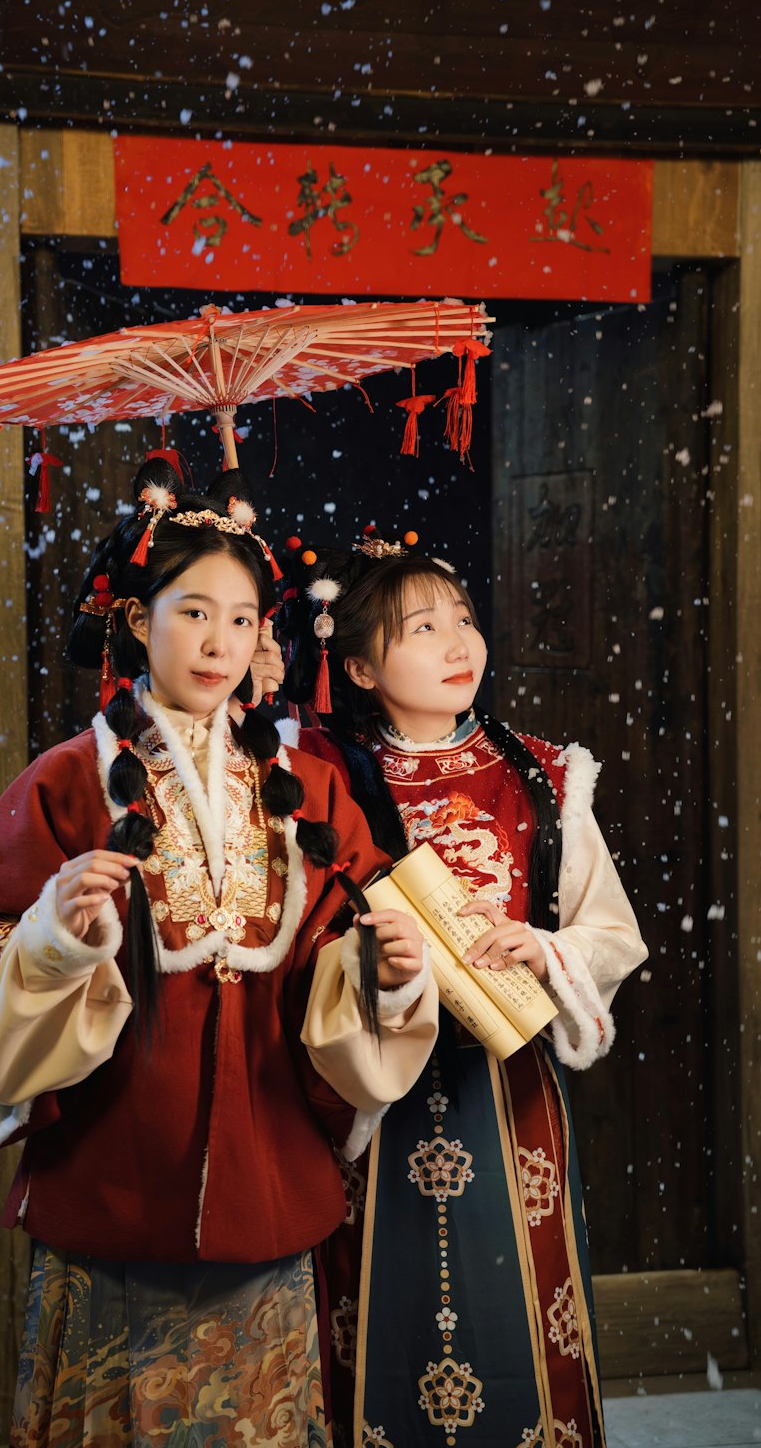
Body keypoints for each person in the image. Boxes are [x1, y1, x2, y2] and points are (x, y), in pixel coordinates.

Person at [0, 463, 439, 1448]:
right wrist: (54, 940)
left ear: (267, 635)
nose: (220, 642)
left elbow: (340, 956)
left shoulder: (307, 787)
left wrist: (385, 968)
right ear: (135, 618)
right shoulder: (66, 780)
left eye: (244, 618)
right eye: (193, 611)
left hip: (265, 1167)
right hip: (113, 1168)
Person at [277, 528, 648, 1448]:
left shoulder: (540, 773)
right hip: (374, 1090)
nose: (458, 645)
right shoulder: (326, 783)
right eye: (421, 628)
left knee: (518, 1310)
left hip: (506, 1088)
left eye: (465, 621)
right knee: (379, 1316)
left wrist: (546, 949)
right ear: (357, 667)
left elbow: (612, 934)